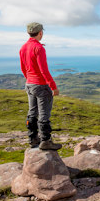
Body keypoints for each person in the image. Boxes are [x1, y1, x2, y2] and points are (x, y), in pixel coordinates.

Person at [19, 22, 62, 150]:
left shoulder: (23, 48)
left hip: (29, 84)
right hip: (41, 85)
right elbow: (44, 70)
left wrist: (30, 80)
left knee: (32, 112)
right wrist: (53, 86)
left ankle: (32, 139)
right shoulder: (39, 48)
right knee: (44, 114)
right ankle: (46, 141)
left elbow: (23, 68)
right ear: (40, 33)